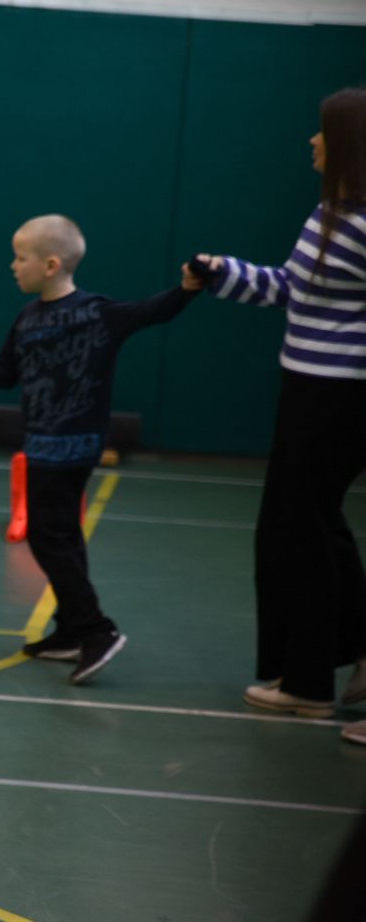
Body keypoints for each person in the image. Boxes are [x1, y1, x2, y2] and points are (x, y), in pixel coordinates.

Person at [0, 215, 199, 683]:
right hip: (40, 444)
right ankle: (71, 629)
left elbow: (154, 310)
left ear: (51, 265)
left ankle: (96, 629)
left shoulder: (97, 312)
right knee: (63, 535)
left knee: (47, 536)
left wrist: (188, 288)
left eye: (20, 257)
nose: (13, 265)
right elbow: (4, 374)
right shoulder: (28, 318)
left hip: (76, 445)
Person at [190, 87, 366, 729]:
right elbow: (291, 288)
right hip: (308, 388)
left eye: (322, 132)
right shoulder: (330, 214)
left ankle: (310, 682)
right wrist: (221, 272)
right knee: (307, 525)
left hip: (341, 396)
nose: (312, 142)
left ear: (347, 144)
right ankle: (341, 654)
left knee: (301, 532)